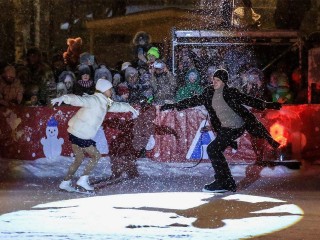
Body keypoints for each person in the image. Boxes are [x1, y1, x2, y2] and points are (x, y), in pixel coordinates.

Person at [160, 69, 282, 193]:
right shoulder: (209, 93)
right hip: (224, 128)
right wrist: (174, 105)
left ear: (224, 81)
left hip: (237, 126)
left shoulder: (231, 92)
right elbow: (193, 100)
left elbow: (248, 100)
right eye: (213, 79)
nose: (214, 82)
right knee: (214, 149)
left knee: (213, 149)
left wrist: (268, 105)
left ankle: (224, 181)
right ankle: (226, 182)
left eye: (217, 80)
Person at [51, 79, 138, 192]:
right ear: (104, 90)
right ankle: (83, 180)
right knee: (96, 155)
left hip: (75, 132)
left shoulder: (106, 102)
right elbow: (78, 99)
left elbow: (116, 106)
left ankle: (65, 182)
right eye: (109, 89)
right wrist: (63, 98)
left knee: (79, 158)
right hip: (81, 134)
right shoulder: (93, 99)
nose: (111, 92)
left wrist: (129, 107)